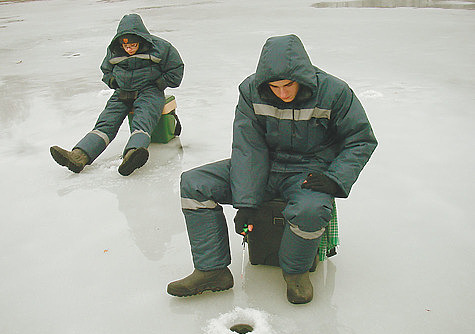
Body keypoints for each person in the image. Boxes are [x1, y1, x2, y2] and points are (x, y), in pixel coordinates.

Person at [167, 34, 377, 304]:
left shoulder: (334, 92)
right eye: (275, 87)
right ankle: (212, 270)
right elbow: (248, 148)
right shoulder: (250, 91)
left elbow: (361, 139)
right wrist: (246, 202)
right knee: (194, 183)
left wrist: (336, 179)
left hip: (308, 172)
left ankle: (296, 273)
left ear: (302, 76)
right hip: (263, 168)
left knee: (311, 210)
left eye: (289, 85)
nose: (284, 93)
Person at [50, 14, 184, 176]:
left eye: (133, 45)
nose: (129, 49)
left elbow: (176, 70)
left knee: (143, 120)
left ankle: (132, 154)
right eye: (125, 46)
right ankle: (79, 156)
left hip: (149, 91)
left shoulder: (161, 47)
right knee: (106, 122)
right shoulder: (114, 49)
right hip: (122, 92)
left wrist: (159, 84)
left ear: (141, 39)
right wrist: (113, 82)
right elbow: (106, 70)